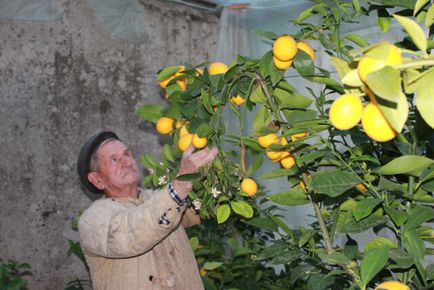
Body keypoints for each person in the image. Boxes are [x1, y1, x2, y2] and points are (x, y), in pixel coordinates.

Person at [76, 131, 218, 290]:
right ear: (97, 179)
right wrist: (180, 186)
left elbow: (203, 206)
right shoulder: (93, 219)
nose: (127, 162)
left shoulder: (156, 198)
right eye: (114, 159)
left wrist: (219, 173)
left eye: (127, 154)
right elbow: (132, 233)